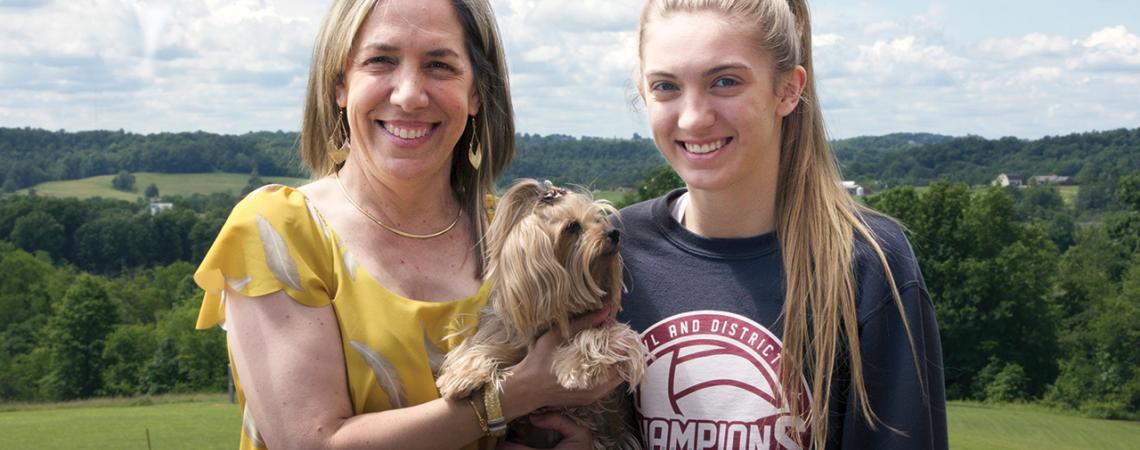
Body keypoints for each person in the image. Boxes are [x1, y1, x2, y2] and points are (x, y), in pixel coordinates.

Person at [193, 1, 618, 449]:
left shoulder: (520, 234)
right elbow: (311, 443)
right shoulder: (278, 232)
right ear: (339, 84)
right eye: (381, 61)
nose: (409, 95)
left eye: (439, 65)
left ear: (476, 93)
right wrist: (515, 395)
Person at [616, 0, 948, 449]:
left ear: (788, 90)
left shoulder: (866, 263)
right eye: (666, 86)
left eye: (725, 81)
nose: (693, 117)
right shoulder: (614, 251)